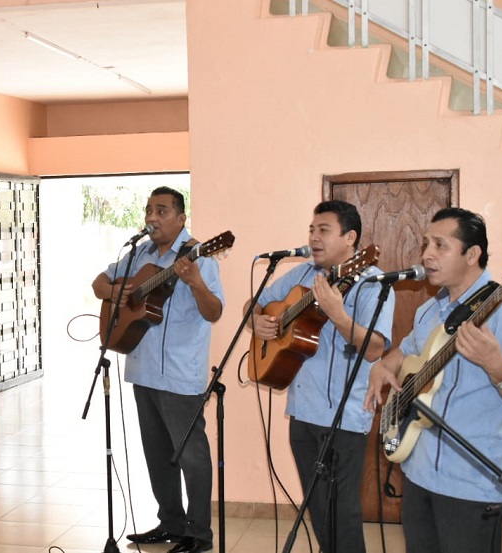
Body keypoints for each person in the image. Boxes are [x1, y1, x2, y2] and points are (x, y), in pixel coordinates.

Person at [364, 208, 502, 553]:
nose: (427, 254)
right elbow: (405, 352)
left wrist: (496, 367)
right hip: (419, 471)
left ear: (472, 254)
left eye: (440, 245)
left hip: (474, 482)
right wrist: (382, 366)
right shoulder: (429, 311)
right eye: (427, 243)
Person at [245, 200, 395, 553]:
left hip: (345, 417)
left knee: (343, 513)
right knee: (319, 511)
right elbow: (255, 303)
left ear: (350, 238)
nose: (313, 237)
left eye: (323, 230)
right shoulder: (300, 275)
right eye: (312, 230)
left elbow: (374, 349)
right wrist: (256, 321)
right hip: (302, 412)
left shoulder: (373, 283)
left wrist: (338, 314)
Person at [91, 187, 224, 553]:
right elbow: (99, 283)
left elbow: (214, 312)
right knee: (156, 453)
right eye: (149, 210)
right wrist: (122, 291)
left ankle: (199, 534)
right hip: (141, 368)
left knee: (191, 455)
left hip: (180, 375)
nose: (152, 217)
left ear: (181, 218)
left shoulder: (200, 258)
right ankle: (170, 523)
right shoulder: (140, 254)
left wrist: (195, 282)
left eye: (162, 211)